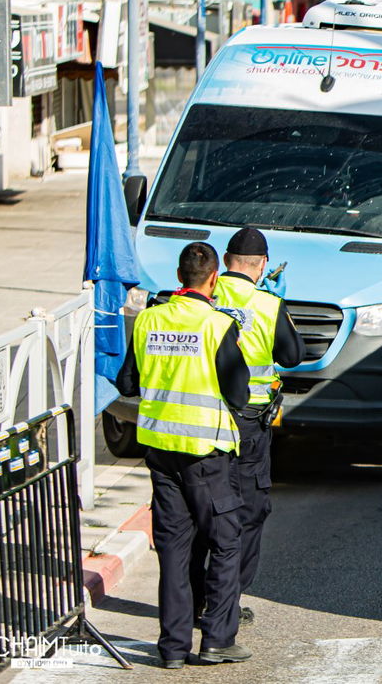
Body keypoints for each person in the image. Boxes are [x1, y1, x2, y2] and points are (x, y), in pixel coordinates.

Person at [116, 241, 251, 668]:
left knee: (173, 549)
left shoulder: (148, 319)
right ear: (214, 279)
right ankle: (217, 640)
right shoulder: (217, 324)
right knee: (226, 542)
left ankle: (173, 648)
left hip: (160, 450)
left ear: (179, 277)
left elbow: (127, 383)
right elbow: (239, 393)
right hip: (205, 453)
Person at [195, 227, 303, 627]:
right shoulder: (267, 303)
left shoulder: (206, 294)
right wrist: (279, 307)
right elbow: (292, 356)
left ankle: (196, 599)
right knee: (248, 512)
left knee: (202, 511)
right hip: (248, 426)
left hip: (202, 418)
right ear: (263, 265)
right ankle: (226, 602)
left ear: (225, 262)